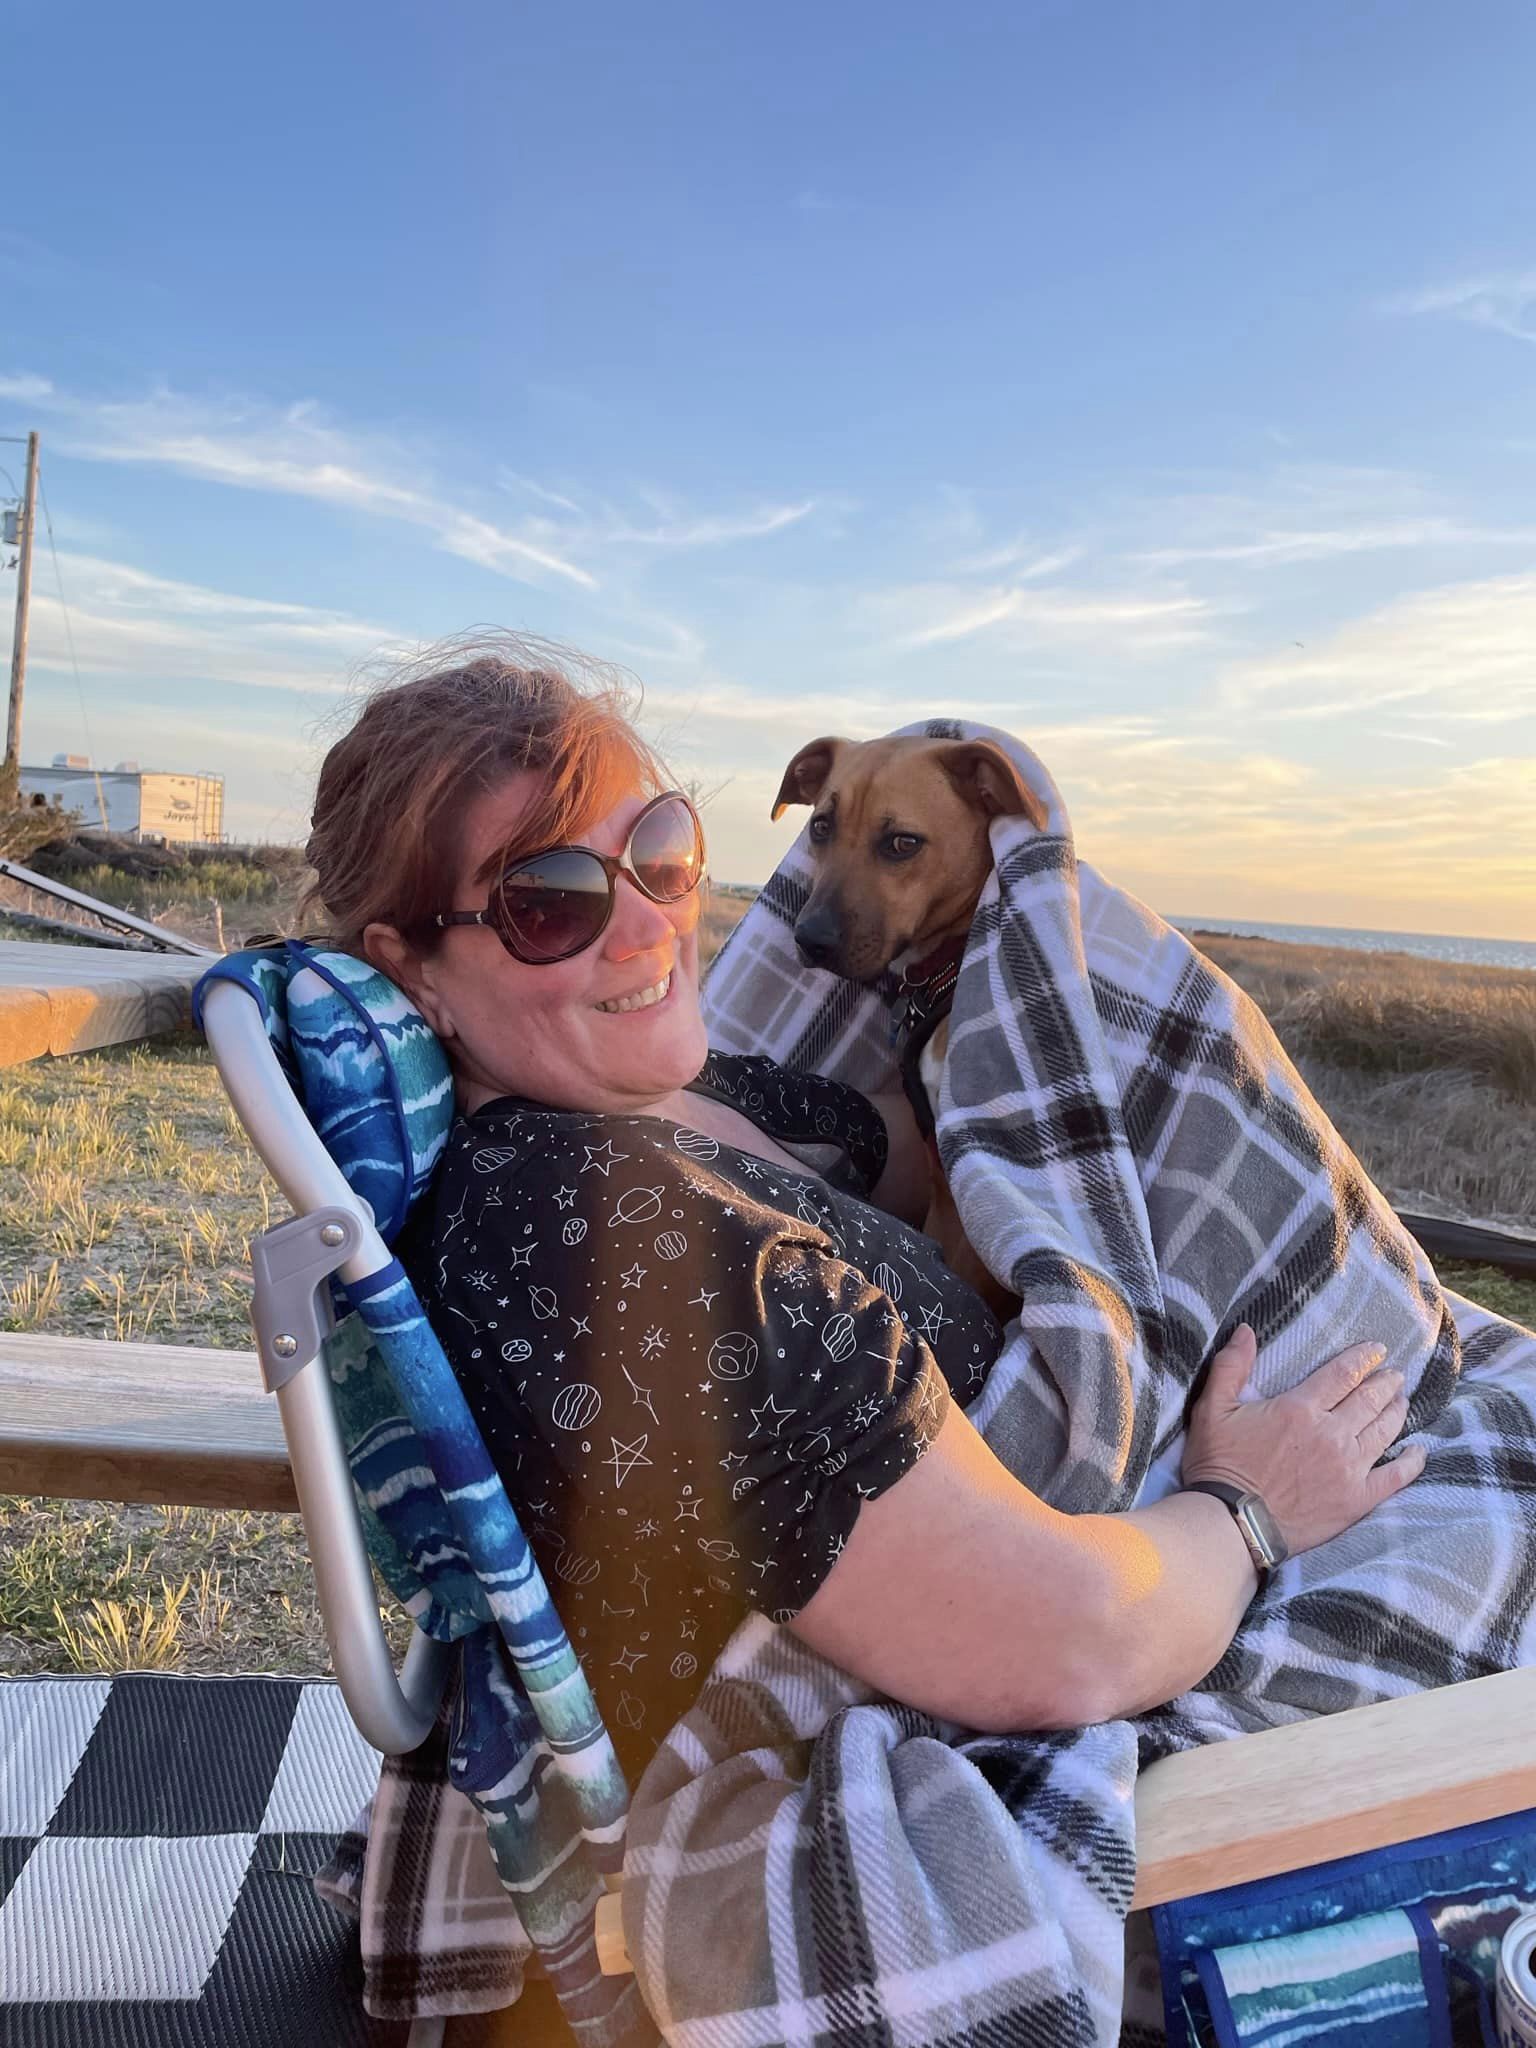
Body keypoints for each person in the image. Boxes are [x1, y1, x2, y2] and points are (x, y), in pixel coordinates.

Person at [304, 635, 1426, 1782]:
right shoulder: (591, 1227)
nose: (649, 923)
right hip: (1066, 1634)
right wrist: (1249, 1504)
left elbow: (922, 1131)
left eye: (660, 848)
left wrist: (1032, 972)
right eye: (549, 899)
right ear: (416, 968)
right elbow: (1069, 1636)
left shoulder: (677, 1100)